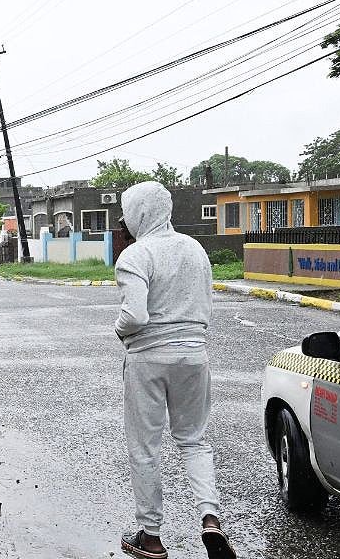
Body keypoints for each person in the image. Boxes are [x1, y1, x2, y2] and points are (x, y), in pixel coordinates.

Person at [114, 182, 235, 559]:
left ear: (140, 212)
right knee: (194, 440)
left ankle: (150, 537)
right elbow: (207, 305)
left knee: (146, 447)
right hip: (195, 355)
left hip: (149, 358)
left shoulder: (136, 255)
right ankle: (210, 518)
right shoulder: (196, 250)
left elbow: (134, 316)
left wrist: (118, 330)